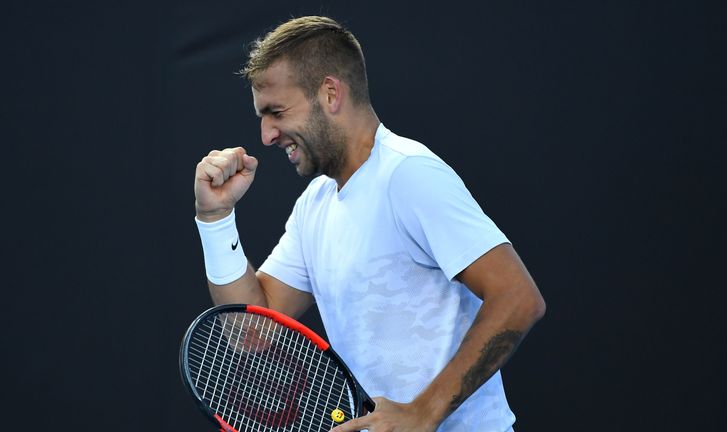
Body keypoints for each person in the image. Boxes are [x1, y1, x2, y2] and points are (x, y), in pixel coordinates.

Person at [193, 15, 545, 432]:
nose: (267, 135)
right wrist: (215, 219)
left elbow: (519, 297)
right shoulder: (315, 206)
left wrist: (423, 411)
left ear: (330, 94)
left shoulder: (409, 174)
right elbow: (251, 332)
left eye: (277, 112)